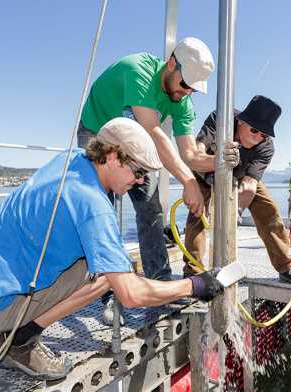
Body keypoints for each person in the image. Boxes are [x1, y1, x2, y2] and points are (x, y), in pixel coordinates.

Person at [0, 118, 224, 381]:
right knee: (106, 275)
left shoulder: (70, 160)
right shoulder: (94, 207)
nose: (139, 181)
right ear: (112, 156)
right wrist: (194, 285)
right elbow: (131, 294)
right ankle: (19, 343)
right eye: (137, 172)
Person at [78, 37, 215, 323]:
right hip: (98, 133)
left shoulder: (181, 100)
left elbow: (189, 153)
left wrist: (222, 162)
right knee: (104, 211)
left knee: (150, 207)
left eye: (192, 88)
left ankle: (160, 284)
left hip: (136, 143)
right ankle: (109, 292)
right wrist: (189, 182)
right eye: (185, 83)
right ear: (172, 64)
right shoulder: (137, 69)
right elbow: (152, 131)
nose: (186, 92)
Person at [183, 95, 291, 290]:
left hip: (240, 177)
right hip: (204, 173)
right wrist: (212, 164)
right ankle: (193, 274)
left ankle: (286, 267)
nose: (258, 137)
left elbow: (250, 185)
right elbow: (196, 152)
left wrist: (237, 212)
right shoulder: (219, 119)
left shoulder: (266, 147)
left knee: (268, 210)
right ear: (241, 120)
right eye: (254, 130)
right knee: (196, 216)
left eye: (264, 134)